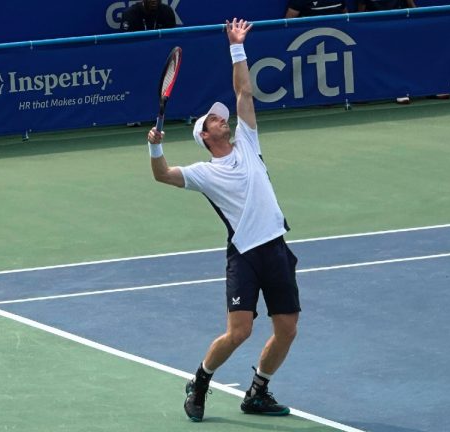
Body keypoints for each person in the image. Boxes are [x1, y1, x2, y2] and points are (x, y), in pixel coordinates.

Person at [146, 19, 301, 423]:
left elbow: (243, 91)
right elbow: (162, 176)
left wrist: (237, 46)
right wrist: (155, 150)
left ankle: (257, 391)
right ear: (206, 135)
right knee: (240, 332)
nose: (223, 118)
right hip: (246, 255)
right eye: (215, 120)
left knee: (287, 329)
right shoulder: (203, 172)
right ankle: (200, 381)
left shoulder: (249, 141)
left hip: (276, 246)